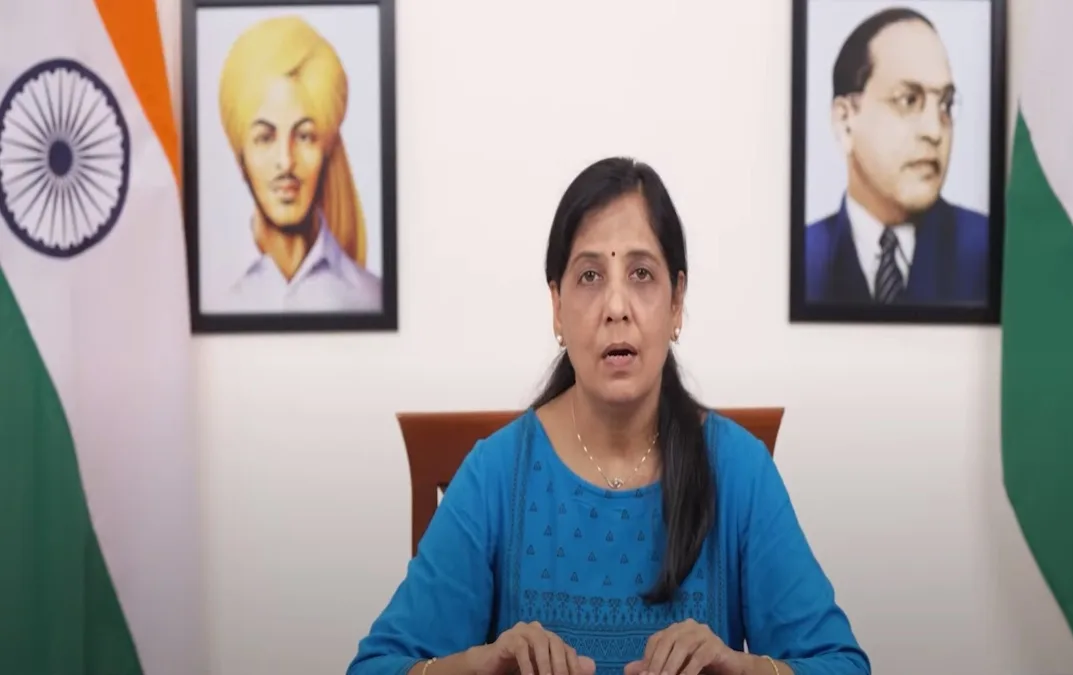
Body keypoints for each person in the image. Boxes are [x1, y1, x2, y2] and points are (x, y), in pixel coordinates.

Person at [347, 158, 870, 675]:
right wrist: (476, 666)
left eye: (641, 274)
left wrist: (742, 669)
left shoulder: (739, 471)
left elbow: (842, 664)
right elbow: (374, 666)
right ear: (557, 307)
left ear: (676, 303)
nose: (616, 306)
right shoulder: (495, 476)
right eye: (590, 276)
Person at [798, 7, 989, 307]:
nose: (934, 131)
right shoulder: (805, 258)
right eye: (908, 100)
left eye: (946, 104)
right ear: (845, 121)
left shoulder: (987, 250)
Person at [211, 15, 382, 313]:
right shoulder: (213, 296)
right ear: (241, 155)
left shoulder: (371, 297)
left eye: (304, 136)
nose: (286, 161)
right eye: (265, 138)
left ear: (326, 148)